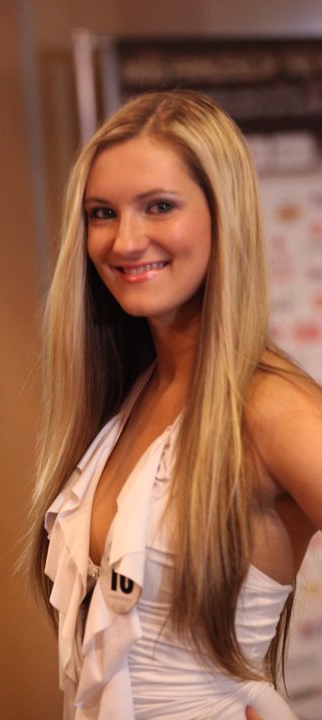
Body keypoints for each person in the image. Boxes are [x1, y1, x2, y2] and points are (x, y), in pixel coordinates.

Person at [26, 90, 322, 719]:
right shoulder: (130, 397)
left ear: (223, 216)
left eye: (158, 206)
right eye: (102, 213)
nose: (125, 241)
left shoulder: (269, 407)